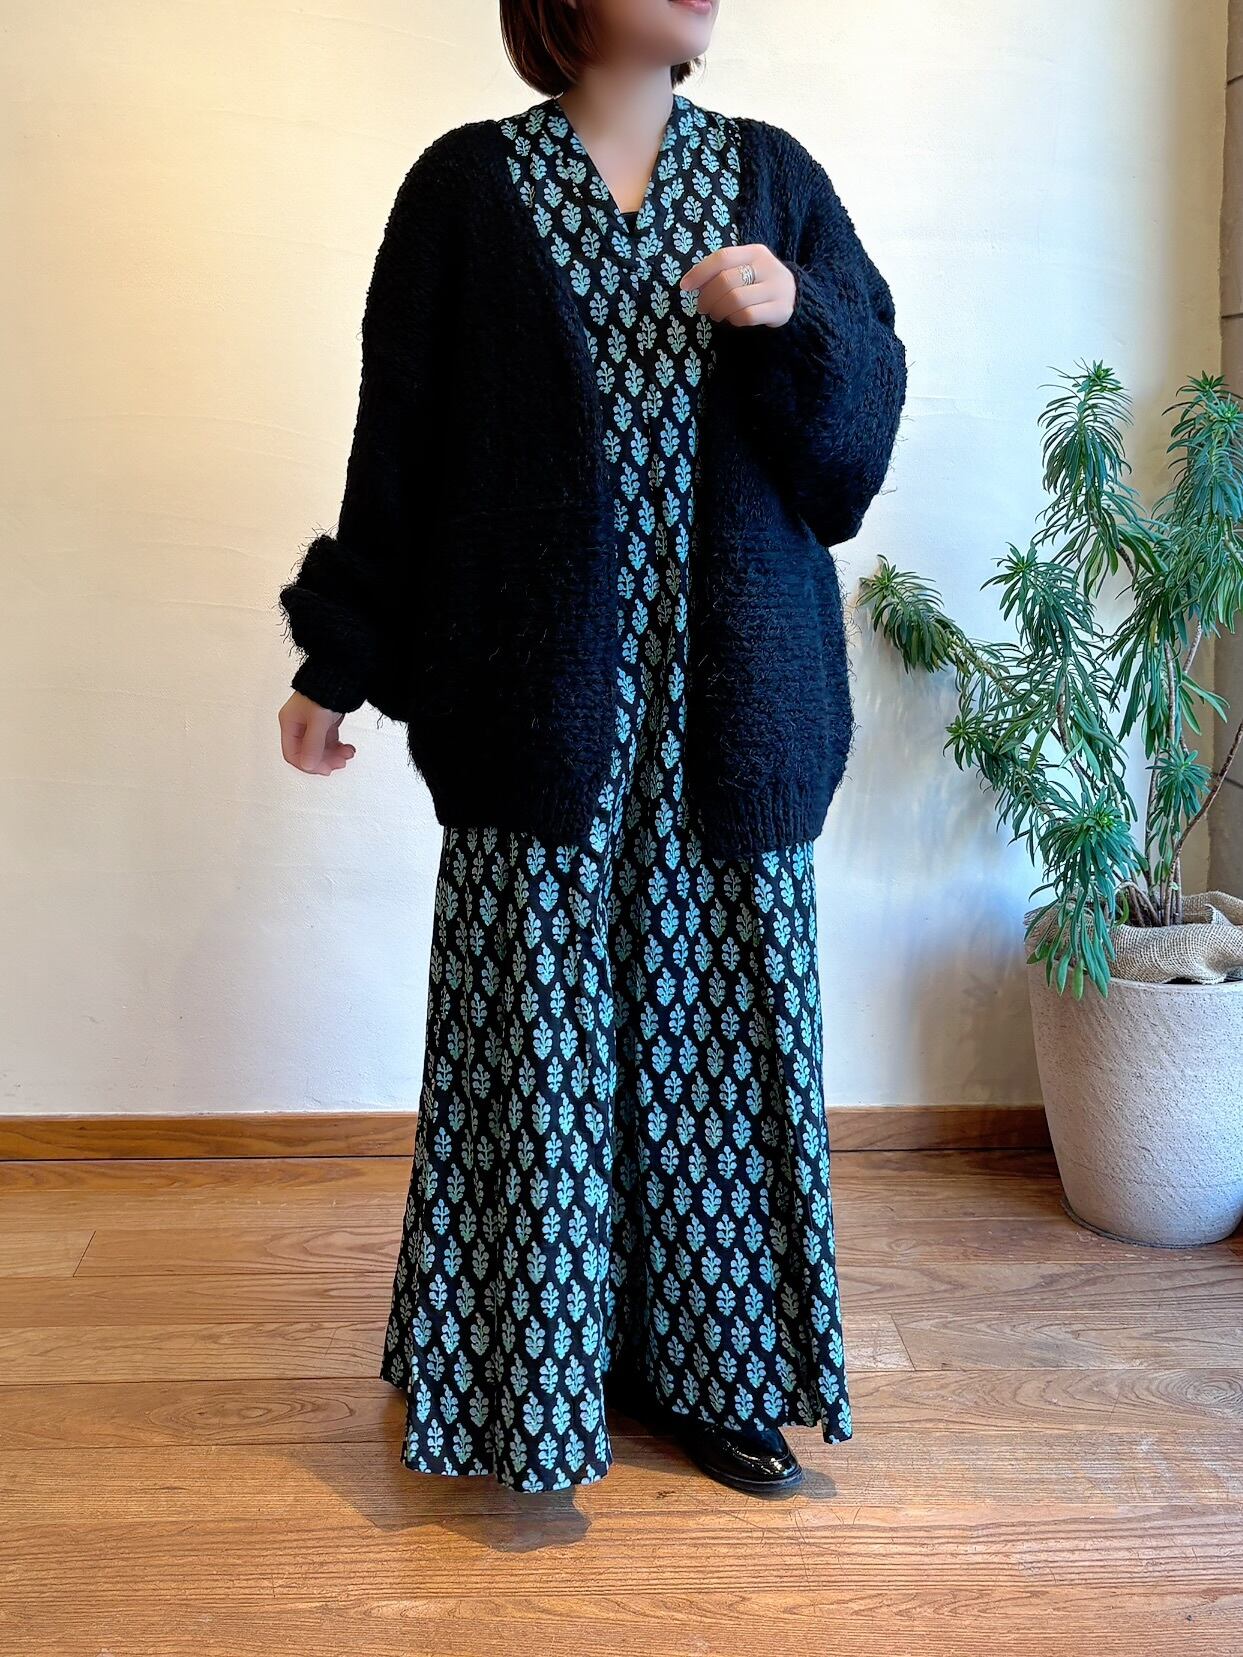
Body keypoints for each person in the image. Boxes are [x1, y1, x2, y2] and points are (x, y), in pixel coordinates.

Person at [277, 0, 907, 1497]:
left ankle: (719, 1372)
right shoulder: (462, 190)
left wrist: (798, 318)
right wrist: (339, 660)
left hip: (731, 713)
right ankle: (526, 1373)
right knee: (538, 1038)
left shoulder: (773, 178)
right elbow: (398, 447)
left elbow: (850, 464)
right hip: (532, 708)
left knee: (718, 1042)